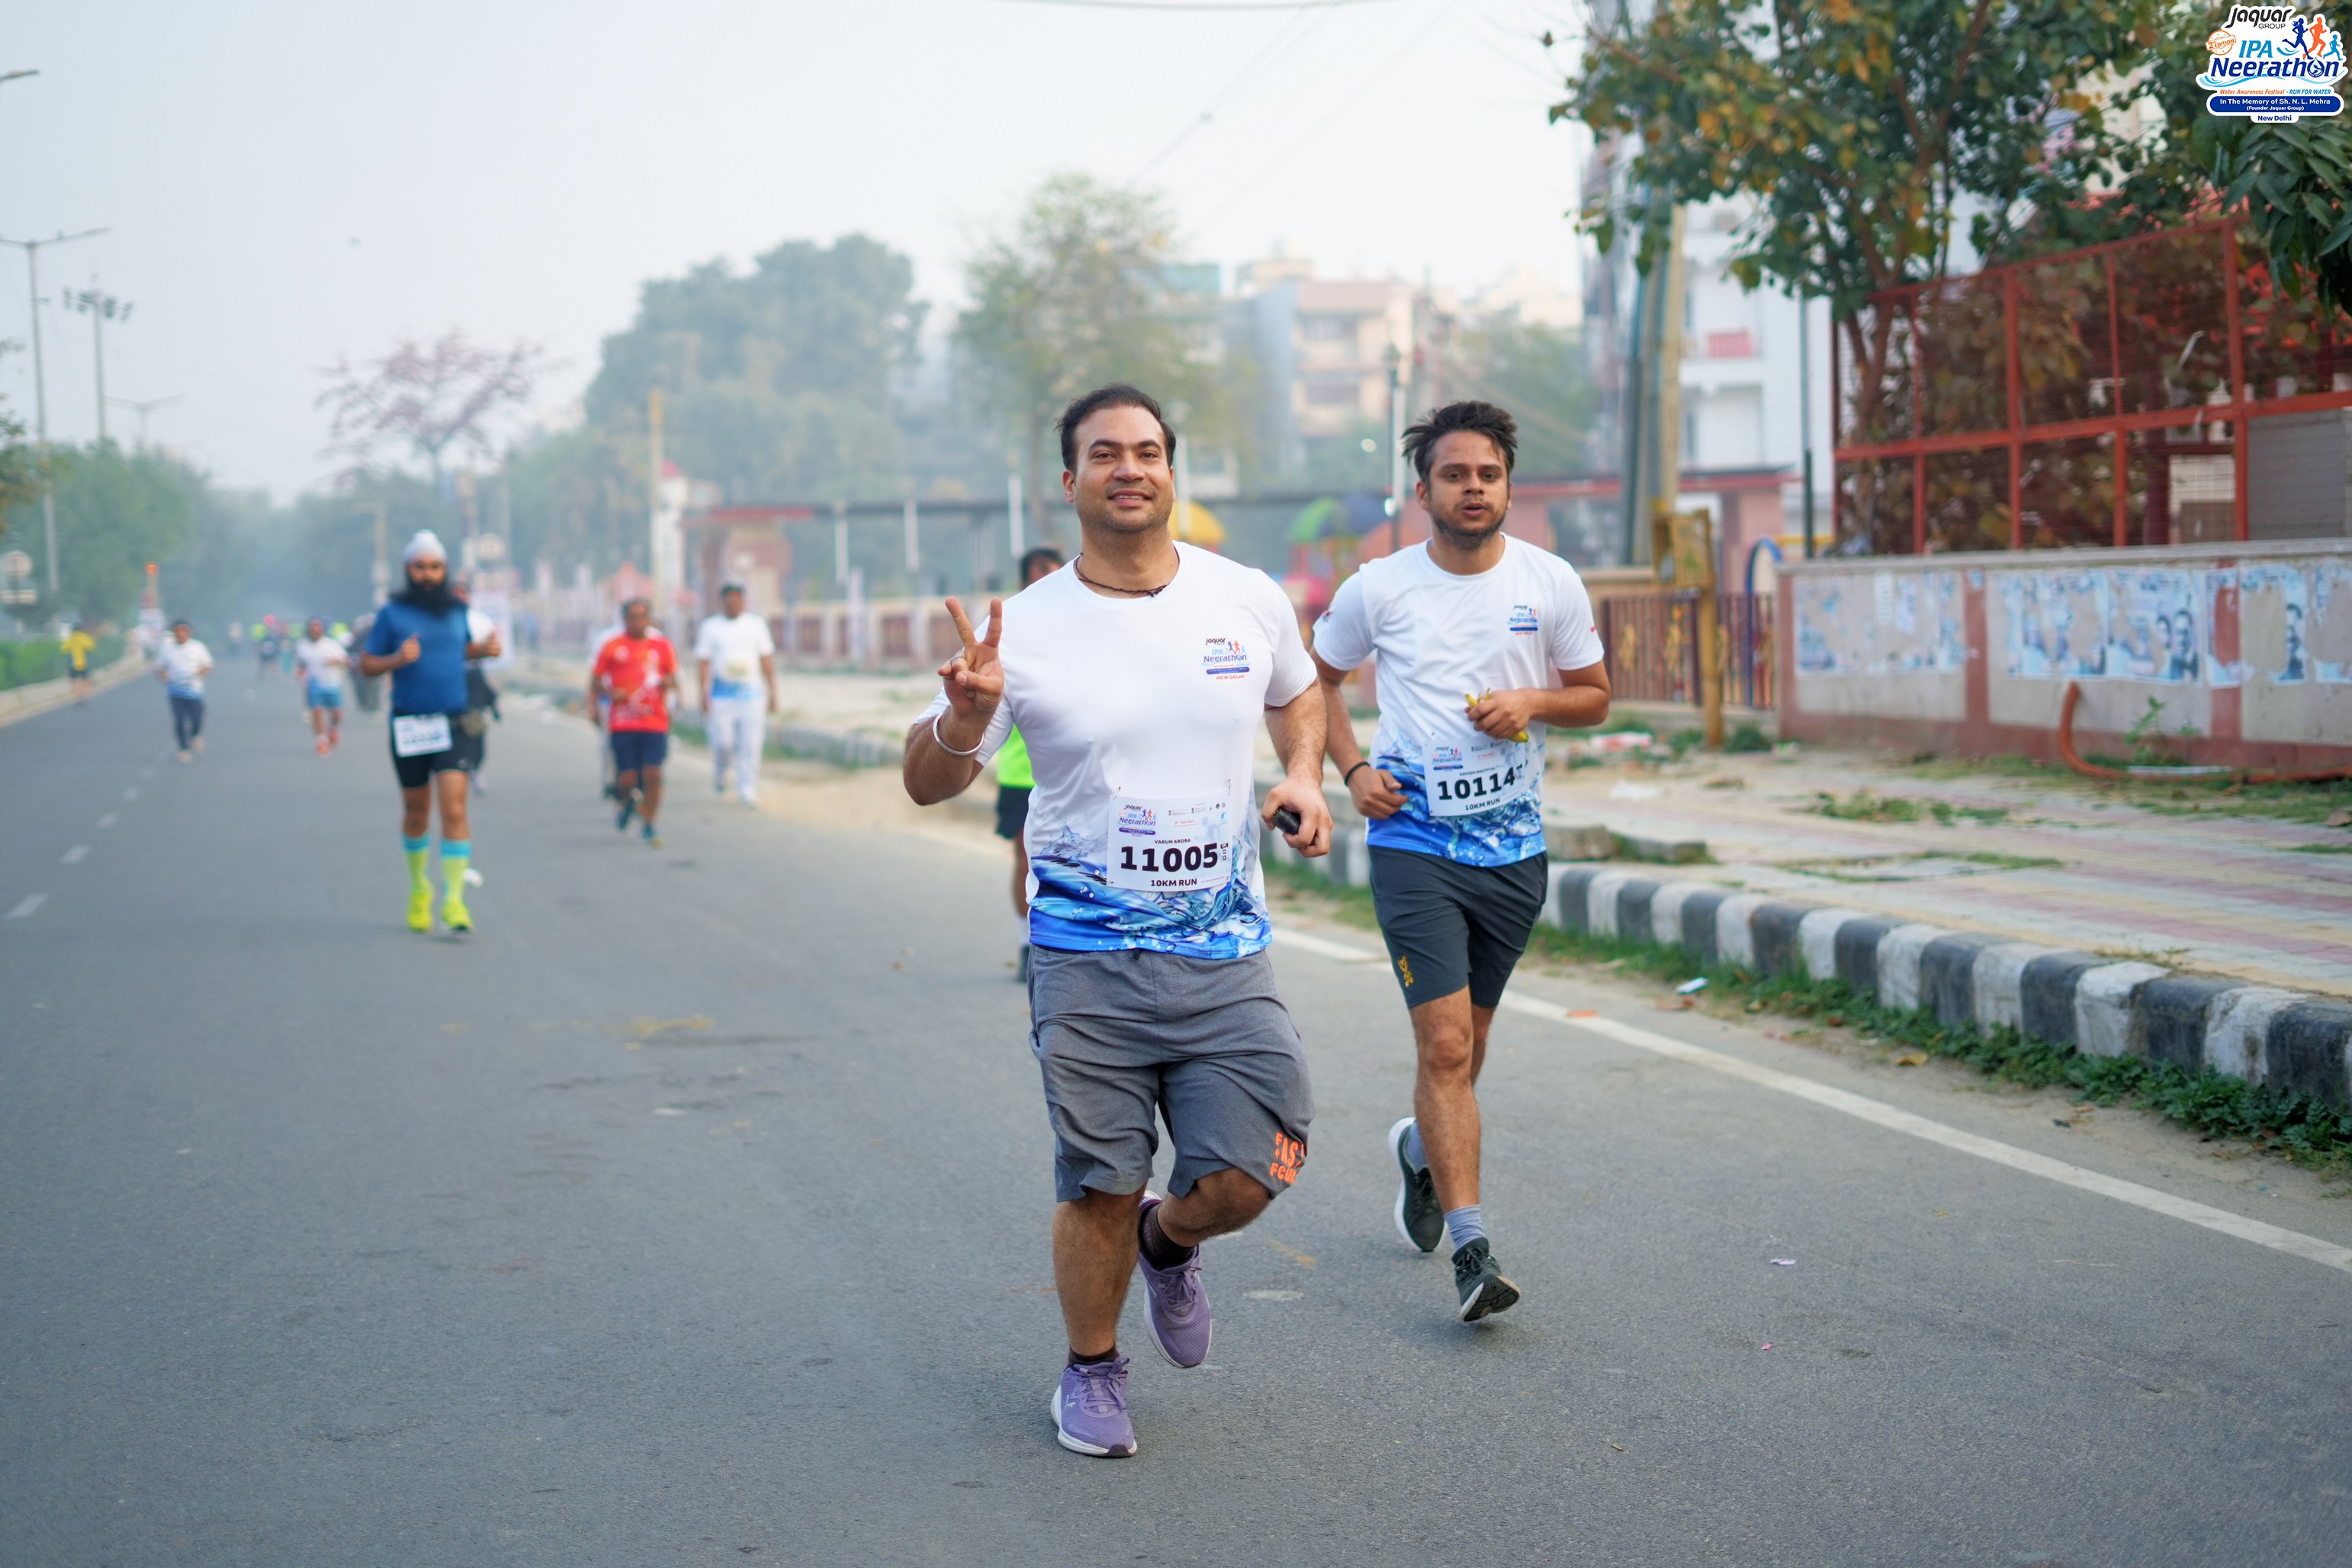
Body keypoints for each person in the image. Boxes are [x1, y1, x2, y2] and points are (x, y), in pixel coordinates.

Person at [904, 385, 1332, 1460]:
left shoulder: (1244, 597)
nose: (1129, 468)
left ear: (1171, 471)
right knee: (1098, 1179)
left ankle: (1169, 1239)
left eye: (1147, 451)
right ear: (1071, 480)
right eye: (1105, 453)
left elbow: (1298, 691)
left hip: (1225, 952)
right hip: (1087, 958)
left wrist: (1304, 773)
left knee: (1252, 1172)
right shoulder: (1024, 628)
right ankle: (1090, 1371)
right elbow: (924, 782)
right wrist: (960, 718)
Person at [1310, 400, 1610, 1323]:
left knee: (1467, 1050)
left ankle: (1420, 1153)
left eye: (1488, 473)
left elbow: (1596, 696)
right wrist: (1351, 770)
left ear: (1508, 485)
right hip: (1414, 843)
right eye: (1454, 474)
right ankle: (1475, 1253)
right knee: (1443, 1046)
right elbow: (1314, 683)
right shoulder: (1379, 588)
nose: (1472, 488)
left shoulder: (1550, 581)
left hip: (1513, 849)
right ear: (1424, 490)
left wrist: (1533, 702)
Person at [358, 532, 501, 933]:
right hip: (410, 724)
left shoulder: (457, 611)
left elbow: (456, 651)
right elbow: (366, 665)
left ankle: (454, 899)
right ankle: (419, 886)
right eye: (420, 567)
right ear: (408, 570)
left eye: (435, 567)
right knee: (417, 811)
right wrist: (396, 659)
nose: (428, 574)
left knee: (454, 808)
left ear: (444, 570)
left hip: (453, 722)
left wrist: (482, 651)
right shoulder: (393, 614)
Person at [993, 547, 1065, 982]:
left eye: (1056, 574)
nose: (1050, 583)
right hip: (1022, 775)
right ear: (1026, 580)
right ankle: (1027, 942)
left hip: (1074, 773)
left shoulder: (1083, 629)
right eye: (1041, 575)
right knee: (1026, 860)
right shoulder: (1008, 635)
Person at [591, 598, 679, 848]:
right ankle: (627, 801)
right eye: (633, 617)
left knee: (653, 774)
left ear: (649, 619)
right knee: (627, 779)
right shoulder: (612, 646)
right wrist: (608, 694)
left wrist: (668, 683)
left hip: (654, 721)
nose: (638, 622)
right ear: (625, 619)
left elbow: (672, 675)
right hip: (623, 723)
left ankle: (650, 823)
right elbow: (597, 679)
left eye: (643, 617)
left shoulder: (661, 646)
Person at [693, 583, 777, 807]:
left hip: (751, 693)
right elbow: (703, 662)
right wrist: (702, 694)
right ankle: (721, 773)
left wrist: (773, 692)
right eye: (729, 599)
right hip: (721, 694)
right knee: (723, 743)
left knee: (750, 743)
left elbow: (766, 659)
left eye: (737, 599)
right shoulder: (711, 627)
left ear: (743, 601)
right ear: (722, 602)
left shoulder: (756, 625)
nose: (733, 603)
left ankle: (747, 788)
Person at [153, 620, 213, 762]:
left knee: (196, 719)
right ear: (173, 633)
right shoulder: (167, 649)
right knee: (180, 721)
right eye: (177, 631)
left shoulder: (197, 647)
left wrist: (201, 673)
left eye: (183, 631)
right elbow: (159, 667)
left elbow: (208, 665)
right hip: (176, 691)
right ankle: (183, 749)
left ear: (188, 632)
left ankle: (195, 736)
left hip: (194, 691)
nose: (180, 634)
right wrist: (163, 677)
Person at [294, 617, 349, 756]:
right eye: (313, 628)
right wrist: (301, 677)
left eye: (318, 627)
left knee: (337, 714)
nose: (315, 630)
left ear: (322, 630)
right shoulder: (302, 646)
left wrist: (334, 662)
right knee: (317, 712)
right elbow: (301, 665)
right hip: (314, 684)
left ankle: (333, 729)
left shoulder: (332, 645)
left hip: (332, 684)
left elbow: (346, 661)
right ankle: (321, 741)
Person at [59, 623, 96, 705]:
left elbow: (64, 649)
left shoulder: (71, 638)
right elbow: (91, 648)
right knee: (85, 680)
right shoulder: (84, 637)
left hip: (73, 665)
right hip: (84, 664)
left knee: (74, 682)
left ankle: (77, 697)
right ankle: (85, 696)